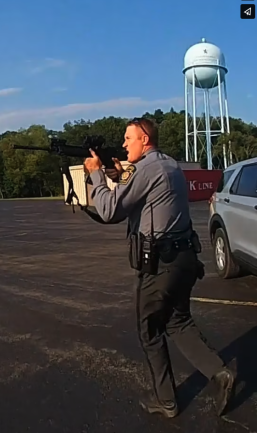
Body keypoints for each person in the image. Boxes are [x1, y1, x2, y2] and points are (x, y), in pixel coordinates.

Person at [84, 117, 235, 418]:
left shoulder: (146, 168)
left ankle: (166, 401)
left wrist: (97, 176)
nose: (124, 144)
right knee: (178, 322)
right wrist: (119, 174)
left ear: (145, 139)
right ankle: (219, 374)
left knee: (149, 331)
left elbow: (110, 209)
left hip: (160, 267)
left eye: (129, 138)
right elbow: (143, 193)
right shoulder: (168, 164)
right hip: (184, 260)